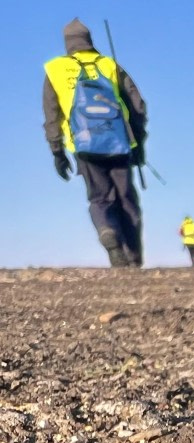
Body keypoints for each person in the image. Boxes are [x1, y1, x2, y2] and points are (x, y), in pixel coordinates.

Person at [43, 19, 147, 268]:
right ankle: (133, 257)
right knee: (126, 199)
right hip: (119, 143)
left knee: (100, 198)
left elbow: (52, 116)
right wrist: (139, 141)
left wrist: (57, 152)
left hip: (84, 145)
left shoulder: (55, 70)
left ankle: (106, 231)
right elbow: (138, 105)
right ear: (89, 39)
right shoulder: (109, 65)